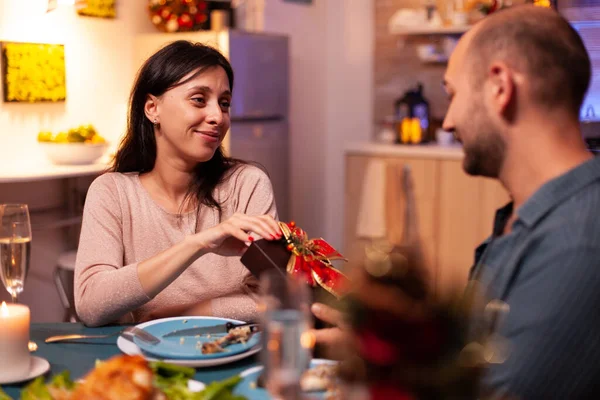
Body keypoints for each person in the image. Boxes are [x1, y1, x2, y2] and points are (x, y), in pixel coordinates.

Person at [313, 5, 600, 399]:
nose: (448, 122)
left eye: (453, 94)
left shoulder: (576, 244)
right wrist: (381, 345)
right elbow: (473, 358)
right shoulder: (526, 215)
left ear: (500, 87)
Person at [74, 40, 282, 327]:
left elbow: (276, 299)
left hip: (235, 356)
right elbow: (91, 305)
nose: (217, 117)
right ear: (152, 108)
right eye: (199, 99)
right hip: (145, 362)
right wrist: (198, 244)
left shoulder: (247, 184)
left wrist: (187, 313)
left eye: (224, 103)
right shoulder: (112, 192)